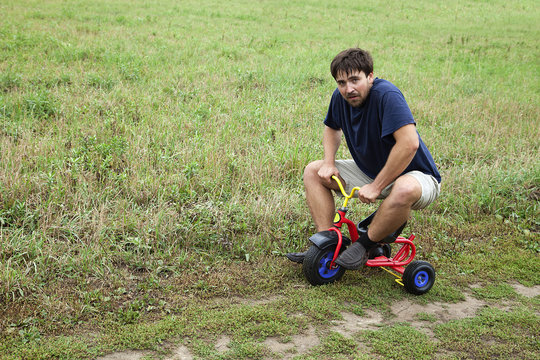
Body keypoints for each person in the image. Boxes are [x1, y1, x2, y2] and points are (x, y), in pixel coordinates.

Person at [287, 48, 441, 269]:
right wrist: (329, 162)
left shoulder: (387, 95)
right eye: (341, 83)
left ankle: (363, 245)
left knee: (404, 188)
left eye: (354, 80)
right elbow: (332, 127)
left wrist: (377, 186)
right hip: (372, 172)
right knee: (313, 170)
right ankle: (326, 244)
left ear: (370, 76)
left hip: (416, 176)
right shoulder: (341, 98)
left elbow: (409, 143)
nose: (348, 89)